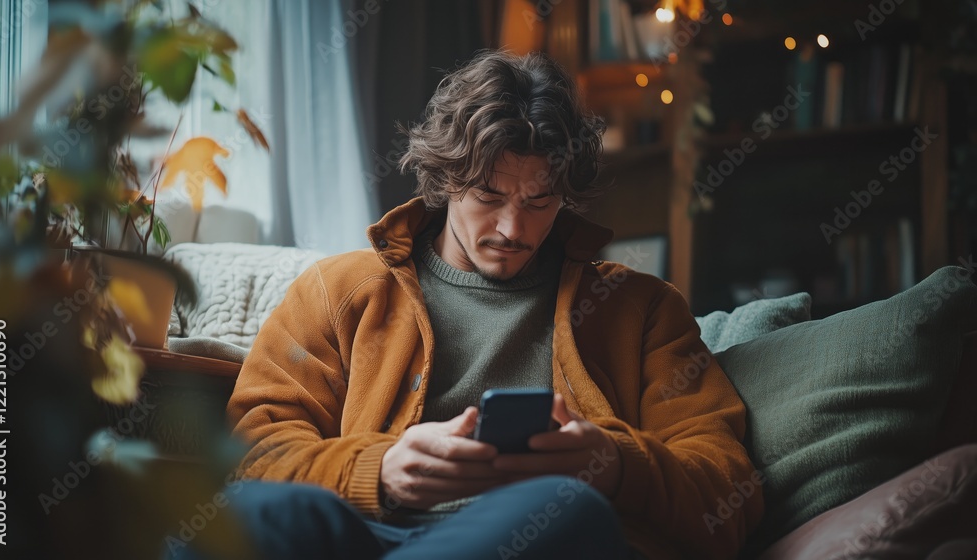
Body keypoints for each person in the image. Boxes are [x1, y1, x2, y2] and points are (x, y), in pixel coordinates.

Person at [213, 50, 762, 560]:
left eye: (539, 201)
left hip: (534, 530)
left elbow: (726, 490)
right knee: (254, 511)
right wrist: (378, 471)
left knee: (568, 508)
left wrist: (614, 464)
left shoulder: (641, 310)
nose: (512, 228)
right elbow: (254, 453)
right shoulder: (337, 292)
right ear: (447, 178)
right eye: (489, 197)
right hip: (365, 528)